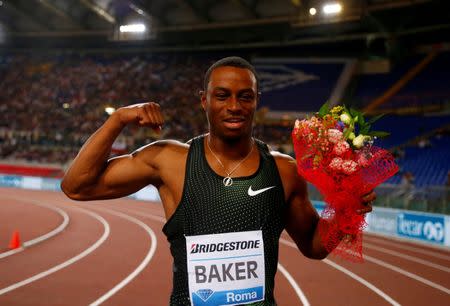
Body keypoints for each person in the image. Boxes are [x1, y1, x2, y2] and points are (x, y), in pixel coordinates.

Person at [61, 57, 375, 305]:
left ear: (256, 101)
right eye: (222, 96)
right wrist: (117, 119)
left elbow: (314, 245)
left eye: (245, 97)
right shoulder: (170, 161)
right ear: (204, 100)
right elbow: (76, 186)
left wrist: (347, 210)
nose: (234, 106)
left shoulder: (283, 169)